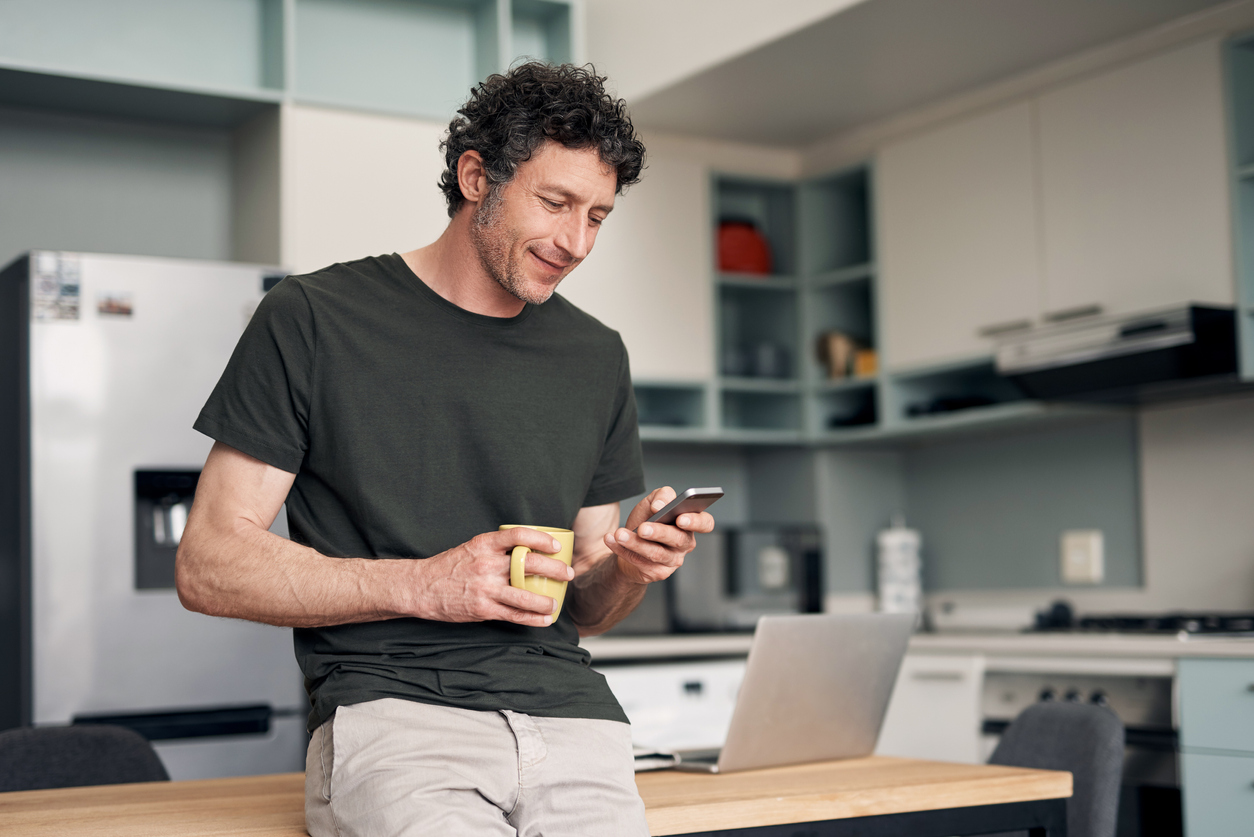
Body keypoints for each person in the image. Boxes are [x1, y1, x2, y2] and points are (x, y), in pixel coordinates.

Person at [174, 62, 715, 837]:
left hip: (576, 723)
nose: (576, 242)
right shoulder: (314, 319)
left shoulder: (597, 355)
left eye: (597, 215)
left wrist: (629, 566)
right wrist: (428, 584)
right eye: (556, 203)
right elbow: (208, 563)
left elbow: (583, 607)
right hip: (397, 718)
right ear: (475, 177)